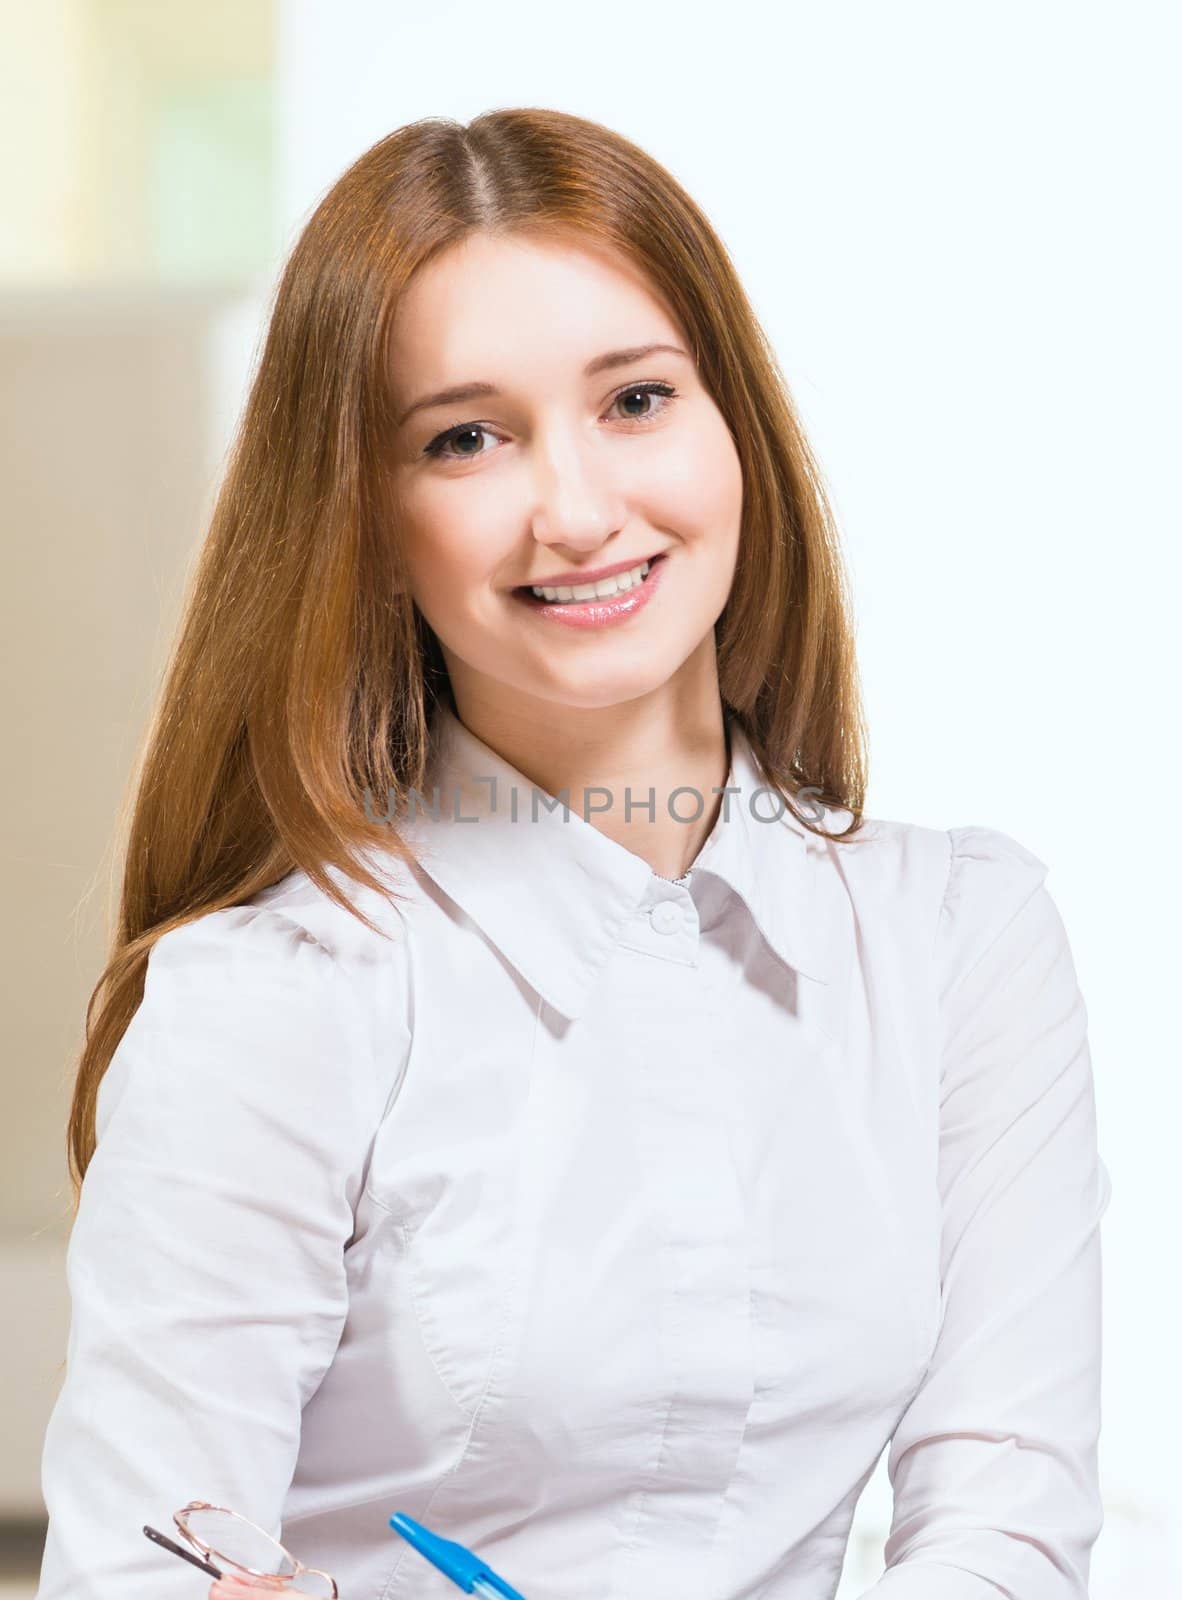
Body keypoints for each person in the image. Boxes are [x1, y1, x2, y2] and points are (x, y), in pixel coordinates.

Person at [36, 108, 1111, 1600]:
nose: (580, 510)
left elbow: (1003, 1541)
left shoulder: (960, 940)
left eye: (635, 399)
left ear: (732, 419)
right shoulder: (267, 1001)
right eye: (463, 437)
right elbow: (138, 1570)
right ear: (366, 512)